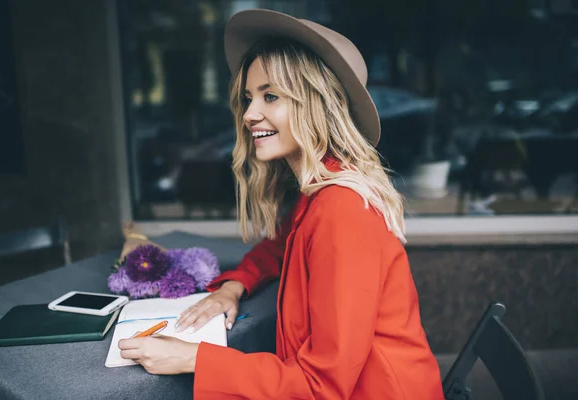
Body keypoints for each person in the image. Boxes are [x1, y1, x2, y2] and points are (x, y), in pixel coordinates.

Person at [119, 9, 444, 399]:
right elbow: (282, 246)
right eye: (248, 97)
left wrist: (196, 359)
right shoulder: (322, 190)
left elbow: (322, 385)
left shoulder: (341, 212)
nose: (250, 114)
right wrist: (235, 285)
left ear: (317, 104)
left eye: (270, 96)